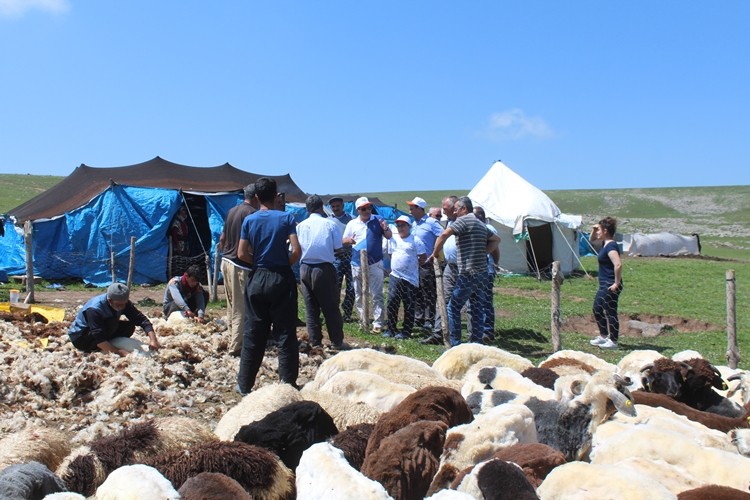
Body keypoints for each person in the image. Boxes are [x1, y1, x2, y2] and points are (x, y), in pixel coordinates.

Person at [236, 177, 301, 395]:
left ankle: (245, 385)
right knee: (285, 334)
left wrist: (259, 264)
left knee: (254, 333)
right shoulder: (286, 218)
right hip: (281, 277)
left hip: (257, 278)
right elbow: (296, 250)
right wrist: (284, 264)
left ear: (255, 197)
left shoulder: (250, 220)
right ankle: (288, 384)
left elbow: (241, 253)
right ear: (276, 196)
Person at [430, 196, 500, 347]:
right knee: (476, 308)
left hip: (468, 273)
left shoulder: (464, 220)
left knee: (453, 307)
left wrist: (435, 253)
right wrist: (484, 253)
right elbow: (496, 240)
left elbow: (443, 234)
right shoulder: (480, 224)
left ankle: (455, 345)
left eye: (456, 209)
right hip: (481, 274)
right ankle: (477, 343)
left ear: (464, 209)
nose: (455, 212)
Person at [297, 195, 350, 350]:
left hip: (305, 268)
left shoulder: (301, 226)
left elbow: (295, 248)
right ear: (321, 207)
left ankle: (315, 342)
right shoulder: (329, 224)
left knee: (311, 308)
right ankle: (336, 341)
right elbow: (338, 247)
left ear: (307, 209)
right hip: (323, 268)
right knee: (330, 307)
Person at [342, 197, 392, 333]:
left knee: (377, 294)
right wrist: (349, 240)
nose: (367, 211)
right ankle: (363, 319)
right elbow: (344, 240)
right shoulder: (352, 224)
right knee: (359, 293)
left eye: (369, 207)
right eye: (363, 208)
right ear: (358, 210)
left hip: (375, 262)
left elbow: (388, 235)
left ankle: (378, 323)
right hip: (357, 262)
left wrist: (385, 228)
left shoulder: (379, 219)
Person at [68, 283, 160, 356]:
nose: (122, 307)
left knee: (128, 327)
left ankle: (109, 346)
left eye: (124, 304)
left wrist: (153, 340)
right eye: (118, 305)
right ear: (110, 301)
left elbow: (141, 320)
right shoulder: (94, 309)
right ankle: (101, 348)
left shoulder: (123, 303)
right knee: (111, 323)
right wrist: (123, 353)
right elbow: (99, 337)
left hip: (102, 329)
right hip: (82, 337)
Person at [220, 184, 258, 355]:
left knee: (231, 304)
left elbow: (222, 238)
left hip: (226, 261)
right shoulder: (251, 214)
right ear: (256, 197)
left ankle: (232, 336)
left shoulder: (232, 211)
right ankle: (236, 346)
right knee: (241, 307)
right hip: (240, 264)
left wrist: (226, 251)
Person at [422, 195, 459, 345]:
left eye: (445, 208)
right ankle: (439, 332)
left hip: (464, 267)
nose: (443, 212)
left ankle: (471, 337)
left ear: (454, 207)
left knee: (469, 303)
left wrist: (434, 253)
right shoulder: (449, 221)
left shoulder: (464, 221)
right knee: (443, 299)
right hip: (450, 266)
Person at [383, 215, 427, 340]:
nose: (400, 228)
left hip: (410, 278)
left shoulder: (416, 240)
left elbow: (423, 257)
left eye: (403, 225)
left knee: (408, 304)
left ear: (409, 227)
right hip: (395, 276)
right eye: (398, 225)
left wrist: (412, 266)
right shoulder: (394, 239)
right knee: (392, 302)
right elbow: (392, 255)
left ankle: (406, 331)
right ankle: (391, 329)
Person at [407, 196, 443, 332]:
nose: (410, 211)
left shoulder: (431, 223)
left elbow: (443, 235)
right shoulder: (414, 224)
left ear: (419, 209)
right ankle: (419, 316)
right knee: (417, 290)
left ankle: (429, 319)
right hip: (414, 263)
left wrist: (435, 252)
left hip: (427, 262)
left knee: (428, 291)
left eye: (412, 208)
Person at [466, 206, 500, 343]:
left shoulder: (489, 230)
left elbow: (495, 250)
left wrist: (494, 264)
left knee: (485, 301)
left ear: (480, 217)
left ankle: (487, 331)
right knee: (475, 301)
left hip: (486, 269)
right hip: (475, 270)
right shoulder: (475, 229)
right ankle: (478, 330)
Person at [589, 217, 623, 350]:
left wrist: (616, 283)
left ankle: (613, 341)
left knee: (610, 312)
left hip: (610, 284)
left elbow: (618, 264)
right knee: (597, 309)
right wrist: (594, 229)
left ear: (606, 230)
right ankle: (604, 336)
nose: (597, 233)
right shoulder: (605, 244)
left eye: (599, 230)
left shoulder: (611, 246)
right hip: (604, 283)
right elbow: (592, 240)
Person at [329, 196, 355, 322]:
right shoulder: (328, 221)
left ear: (342, 206)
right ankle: (334, 311)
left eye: (337, 206)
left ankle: (348, 312)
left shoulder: (351, 219)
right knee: (335, 285)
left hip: (350, 256)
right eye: (333, 206)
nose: (335, 208)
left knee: (351, 286)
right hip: (336, 257)